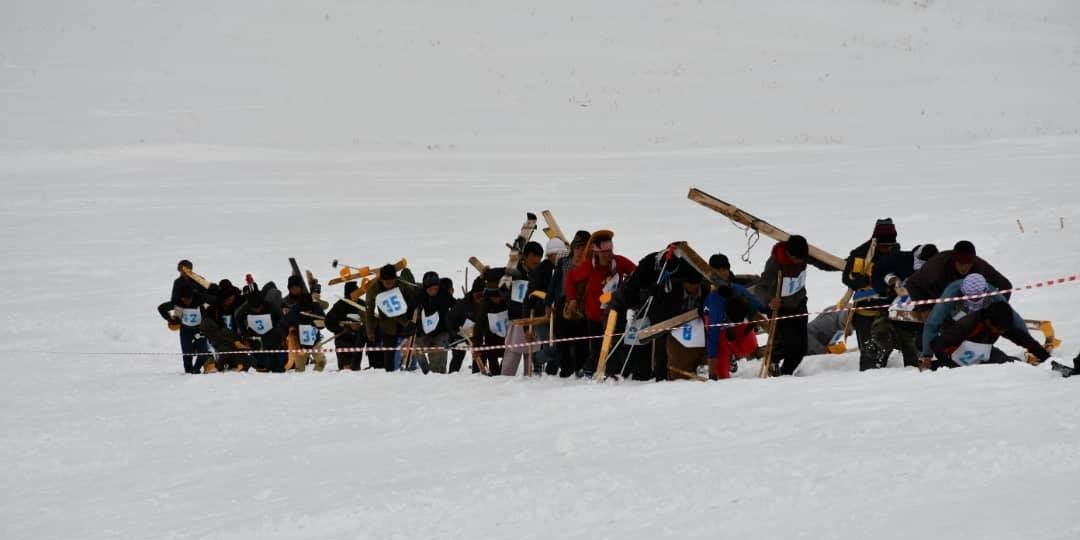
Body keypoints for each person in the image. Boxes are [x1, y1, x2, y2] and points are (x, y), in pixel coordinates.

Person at [753, 235, 835, 376]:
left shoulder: (801, 253)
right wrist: (769, 300)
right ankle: (775, 363)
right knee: (789, 345)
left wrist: (841, 266)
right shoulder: (775, 263)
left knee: (801, 348)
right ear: (789, 254)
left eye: (803, 258)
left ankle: (786, 374)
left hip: (799, 304)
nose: (801, 262)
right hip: (781, 309)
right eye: (797, 259)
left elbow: (823, 263)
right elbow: (761, 287)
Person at [564, 230, 637, 376]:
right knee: (597, 348)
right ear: (596, 252)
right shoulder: (588, 266)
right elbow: (570, 278)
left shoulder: (619, 262)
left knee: (616, 345)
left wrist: (629, 287)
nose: (608, 255)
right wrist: (572, 299)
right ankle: (588, 371)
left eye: (610, 251)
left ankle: (613, 373)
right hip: (595, 315)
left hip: (616, 312)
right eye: (604, 252)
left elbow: (637, 273)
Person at [919, 273, 1026, 367]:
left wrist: (1029, 344)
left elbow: (1014, 318)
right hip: (952, 327)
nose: (974, 301)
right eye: (971, 297)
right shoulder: (951, 295)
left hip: (977, 330)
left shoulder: (993, 295)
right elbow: (932, 324)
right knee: (956, 356)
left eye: (978, 298)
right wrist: (927, 355)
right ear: (963, 292)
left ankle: (1003, 361)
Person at [865, 243, 939, 368]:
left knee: (911, 348)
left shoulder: (937, 270)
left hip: (918, 316)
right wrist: (886, 285)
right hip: (894, 308)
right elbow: (879, 271)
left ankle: (913, 371)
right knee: (881, 330)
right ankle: (877, 353)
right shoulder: (900, 260)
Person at [841, 219, 900, 371]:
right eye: (883, 246)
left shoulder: (895, 251)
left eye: (889, 246)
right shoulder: (860, 254)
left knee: (886, 345)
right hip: (864, 311)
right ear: (875, 241)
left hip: (886, 309)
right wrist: (867, 280)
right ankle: (867, 379)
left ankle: (880, 372)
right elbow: (847, 278)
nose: (886, 249)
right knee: (868, 350)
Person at [927, 301, 1049, 370]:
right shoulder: (968, 324)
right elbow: (937, 344)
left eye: (1002, 330)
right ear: (988, 321)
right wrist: (948, 365)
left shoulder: (1000, 323)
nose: (1000, 333)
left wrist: (1046, 358)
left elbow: (1024, 339)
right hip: (956, 357)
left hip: (982, 353)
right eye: (998, 330)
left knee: (1012, 365)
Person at [702, 253, 767, 379]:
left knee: (749, 345)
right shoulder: (715, 303)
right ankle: (725, 356)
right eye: (718, 270)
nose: (722, 273)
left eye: (725, 269)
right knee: (722, 376)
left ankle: (732, 353)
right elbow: (713, 337)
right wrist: (712, 370)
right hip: (717, 328)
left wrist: (770, 307)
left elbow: (758, 305)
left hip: (735, 325)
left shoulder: (738, 290)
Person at [906, 240, 1012, 306]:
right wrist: (924, 309)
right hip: (936, 300)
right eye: (961, 263)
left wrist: (998, 308)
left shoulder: (980, 267)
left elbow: (1006, 286)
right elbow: (911, 283)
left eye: (968, 264)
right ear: (954, 260)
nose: (964, 268)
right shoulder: (936, 267)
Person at [549, 230, 591, 377]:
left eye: (584, 247)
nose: (580, 251)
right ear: (573, 247)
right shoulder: (563, 262)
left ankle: (580, 368)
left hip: (583, 305)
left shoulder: (590, 264)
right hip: (563, 304)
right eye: (578, 247)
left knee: (581, 339)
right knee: (562, 339)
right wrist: (549, 303)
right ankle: (565, 369)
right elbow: (554, 284)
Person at [365, 264, 419, 371]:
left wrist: (413, 322)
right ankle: (390, 376)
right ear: (381, 280)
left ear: (395, 279)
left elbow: (413, 301)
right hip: (387, 326)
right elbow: (369, 311)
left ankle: (412, 371)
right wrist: (370, 330)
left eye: (392, 282)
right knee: (389, 356)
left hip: (405, 323)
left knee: (408, 353)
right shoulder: (373, 289)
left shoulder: (402, 285)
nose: (389, 285)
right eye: (386, 282)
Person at [502, 241, 545, 376]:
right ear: (525, 257)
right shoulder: (515, 272)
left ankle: (531, 385)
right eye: (532, 255)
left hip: (534, 319)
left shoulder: (540, 274)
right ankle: (504, 383)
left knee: (532, 358)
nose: (535, 259)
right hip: (517, 320)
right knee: (512, 356)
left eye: (538, 256)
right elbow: (502, 291)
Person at [157, 285, 211, 374]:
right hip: (185, 330)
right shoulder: (178, 303)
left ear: (192, 297)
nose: (187, 302)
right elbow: (161, 308)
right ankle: (188, 372)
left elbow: (212, 303)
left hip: (199, 329)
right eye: (184, 300)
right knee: (187, 353)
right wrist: (170, 319)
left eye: (188, 299)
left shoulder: (200, 300)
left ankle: (196, 369)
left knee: (204, 352)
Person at [199, 280, 249, 371]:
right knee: (222, 350)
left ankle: (234, 365)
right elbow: (215, 329)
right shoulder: (213, 309)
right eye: (229, 300)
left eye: (232, 299)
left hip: (232, 334)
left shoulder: (237, 302)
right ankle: (214, 366)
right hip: (218, 338)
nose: (231, 301)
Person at [283, 275, 327, 372]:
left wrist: (317, 322)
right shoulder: (291, 308)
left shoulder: (314, 304)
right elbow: (283, 323)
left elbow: (323, 321)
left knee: (322, 361)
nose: (295, 289)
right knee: (299, 369)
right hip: (298, 342)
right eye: (292, 287)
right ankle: (301, 384)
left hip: (315, 340)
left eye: (297, 287)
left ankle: (316, 379)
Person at [415, 271, 455, 373]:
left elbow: (456, 308)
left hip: (441, 331)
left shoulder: (444, 295)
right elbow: (411, 310)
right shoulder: (420, 296)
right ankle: (426, 371)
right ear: (425, 288)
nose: (433, 291)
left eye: (436, 289)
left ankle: (438, 375)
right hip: (424, 332)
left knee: (439, 355)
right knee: (416, 348)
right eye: (430, 289)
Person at [325, 281, 368, 371]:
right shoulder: (339, 306)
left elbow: (368, 321)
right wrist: (345, 328)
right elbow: (328, 321)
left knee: (355, 369)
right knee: (346, 370)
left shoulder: (362, 304)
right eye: (354, 293)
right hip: (343, 340)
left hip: (358, 341)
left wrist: (361, 327)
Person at [242, 291, 287, 372]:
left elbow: (281, 319)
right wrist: (245, 332)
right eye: (254, 308)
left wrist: (278, 331)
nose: (257, 310)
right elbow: (238, 318)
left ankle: (276, 368)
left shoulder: (271, 306)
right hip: (254, 335)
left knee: (274, 353)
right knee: (258, 352)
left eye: (258, 307)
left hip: (272, 334)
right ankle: (261, 366)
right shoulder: (244, 309)